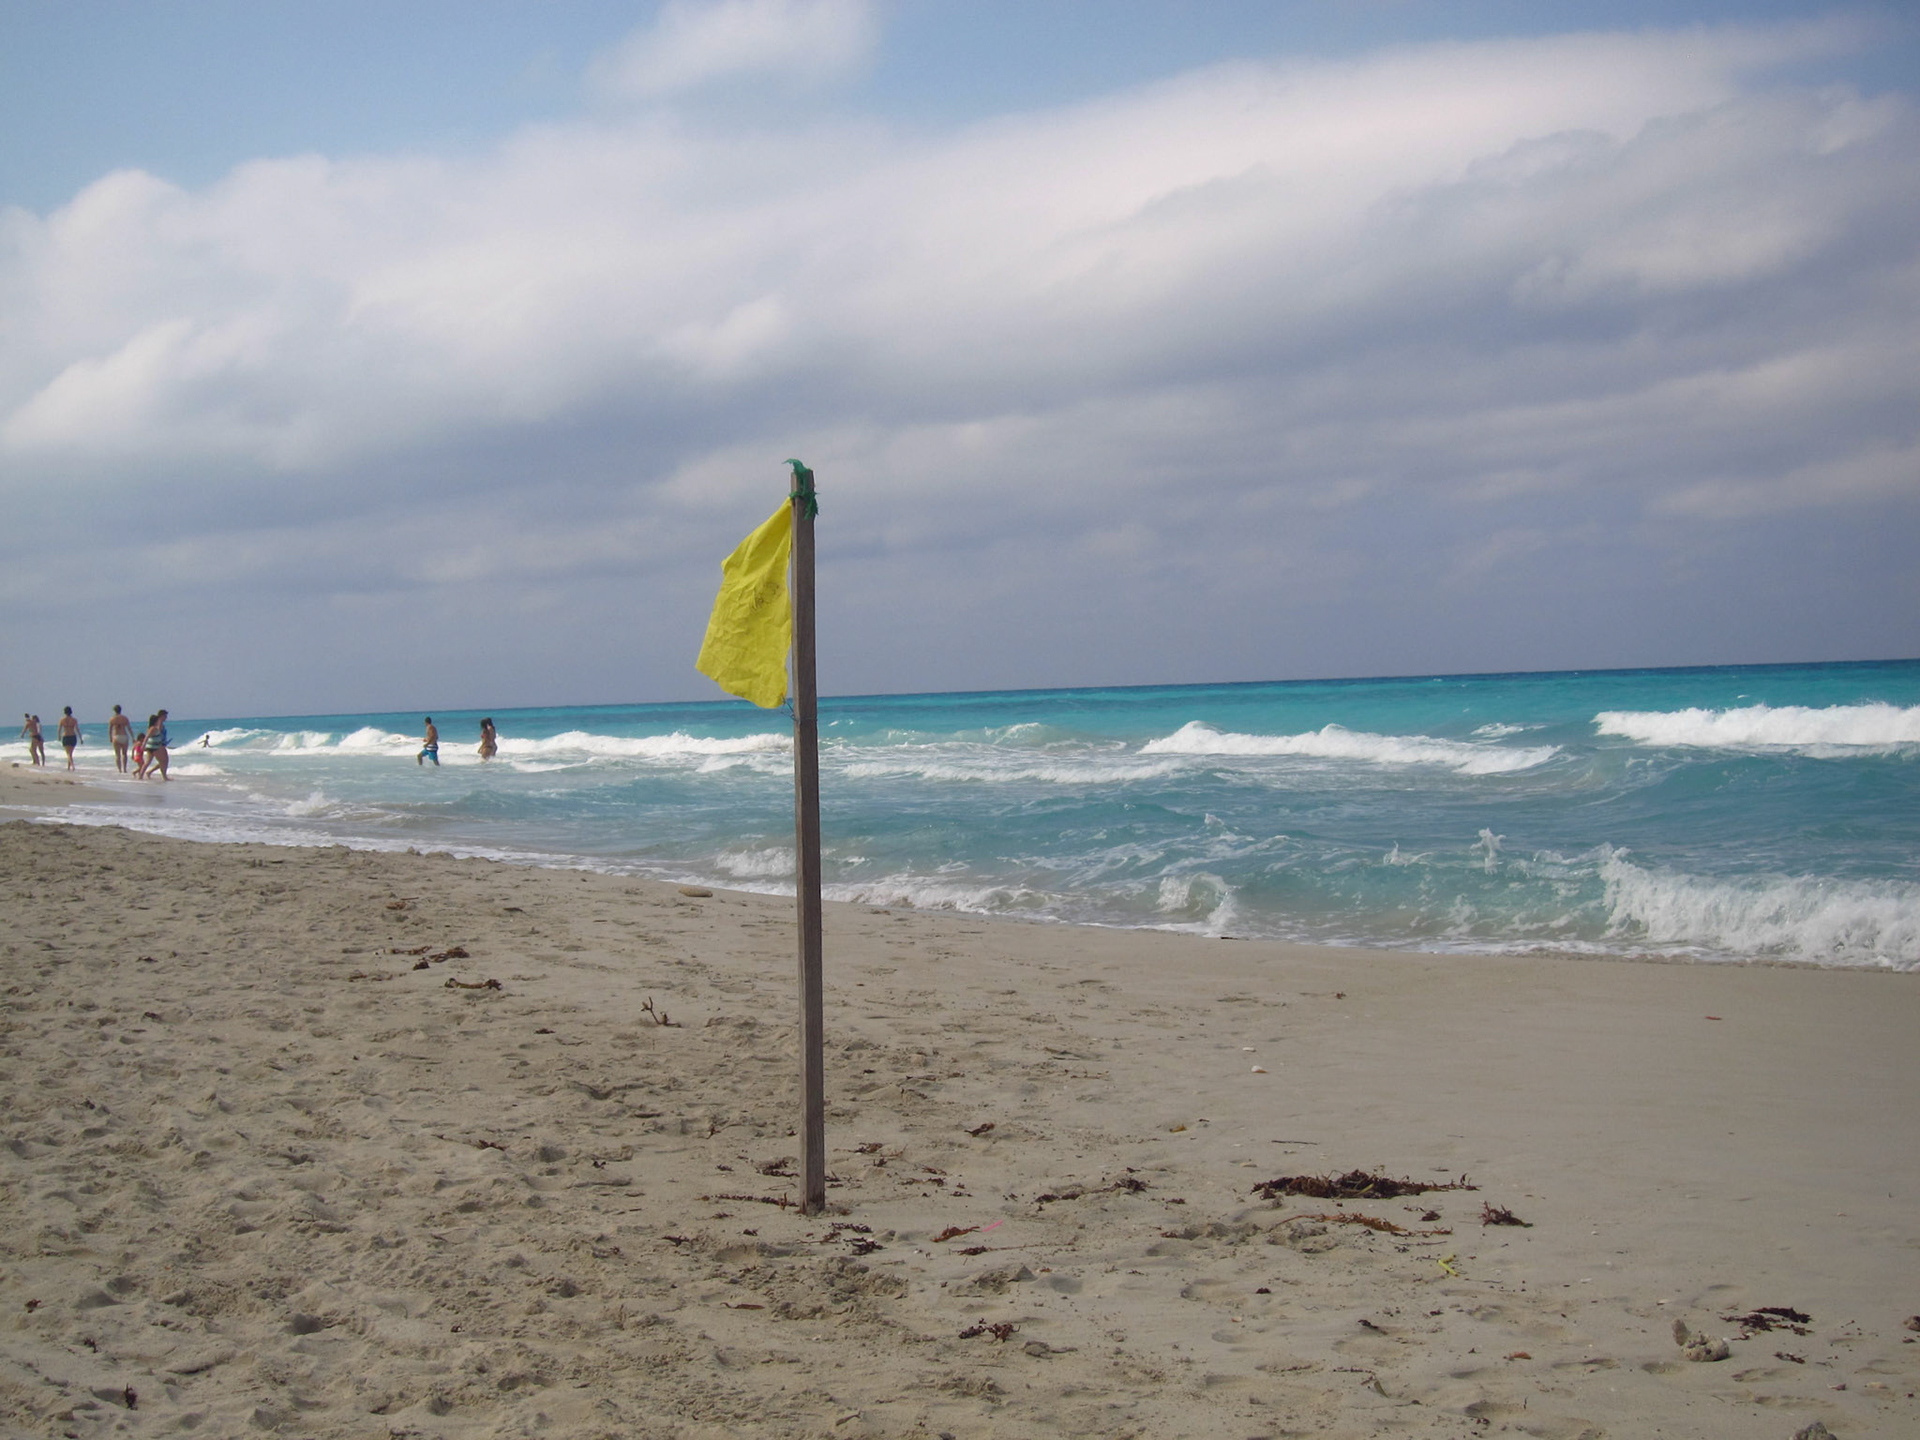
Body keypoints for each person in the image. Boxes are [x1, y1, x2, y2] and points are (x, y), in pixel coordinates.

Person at [145, 710, 171, 781]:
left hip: (161, 743)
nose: (166, 718)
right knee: (164, 761)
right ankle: (164, 776)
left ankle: (150, 772)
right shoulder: (159, 723)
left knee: (163, 761)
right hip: (159, 744)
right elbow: (158, 733)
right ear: (161, 716)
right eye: (165, 716)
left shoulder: (160, 723)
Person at [108, 705, 133, 773]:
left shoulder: (112, 719)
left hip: (116, 736)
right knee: (124, 754)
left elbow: (110, 730)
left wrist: (110, 737)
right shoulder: (125, 718)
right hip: (124, 736)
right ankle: (125, 769)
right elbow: (129, 728)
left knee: (117, 754)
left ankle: (119, 770)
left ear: (114, 710)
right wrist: (133, 737)